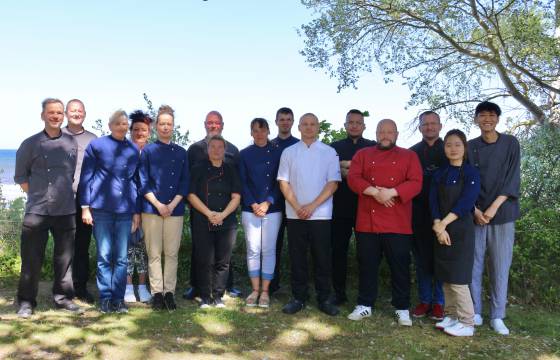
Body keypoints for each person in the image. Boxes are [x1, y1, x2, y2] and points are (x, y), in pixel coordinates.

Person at [346, 119, 422, 326]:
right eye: (381, 131)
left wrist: (393, 192)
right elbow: (353, 178)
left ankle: (402, 308)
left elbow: (416, 183)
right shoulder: (363, 154)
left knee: (400, 266)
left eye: (389, 132)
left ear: (396, 134)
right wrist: (375, 192)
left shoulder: (409, 156)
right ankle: (364, 305)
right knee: (367, 264)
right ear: (376, 133)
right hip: (367, 221)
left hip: (398, 221)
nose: (385, 135)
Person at [14, 98, 82, 318]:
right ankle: (26, 302)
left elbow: (70, 174)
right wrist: (38, 194)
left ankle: (63, 297)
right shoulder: (30, 143)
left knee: (64, 260)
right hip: (37, 211)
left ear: (63, 116)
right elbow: (21, 177)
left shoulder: (71, 142)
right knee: (31, 259)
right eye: (51, 112)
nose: (56, 116)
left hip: (66, 210)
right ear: (43, 115)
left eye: (59, 113)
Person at [277, 113, 341, 316]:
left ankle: (324, 298)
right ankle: (299, 298)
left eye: (313, 124)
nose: (309, 127)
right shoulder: (289, 152)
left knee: (322, 258)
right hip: (295, 214)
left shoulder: (329, 152)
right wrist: (297, 206)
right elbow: (283, 182)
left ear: (318, 127)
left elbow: (333, 183)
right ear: (299, 127)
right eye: (305, 124)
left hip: (321, 214)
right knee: (297, 258)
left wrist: (312, 206)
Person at [79, 110, 141, 314]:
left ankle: (118, 299)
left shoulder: (132, 149)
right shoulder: (97, 146)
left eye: (125, 124)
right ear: (110, 124)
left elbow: (135, 182)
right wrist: (85, 207)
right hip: (101, 209)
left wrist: (136, 212)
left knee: (121, 257)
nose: (122, 127)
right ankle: (105, 298)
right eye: (118, 123)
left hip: (125, 211)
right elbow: (86, 177)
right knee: (104, 256)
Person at [467, 101, 520, 335]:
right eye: (482, 115)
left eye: (491, 115)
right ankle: (475, 311)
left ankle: (497, 316)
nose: (487, 119)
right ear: (476, 119)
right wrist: (476, 210)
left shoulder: (510, 143)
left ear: (497, 119)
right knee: (474, 264)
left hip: (503, 213)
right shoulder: (470, 147)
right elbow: (466, 181)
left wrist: (494, 207)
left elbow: (512, 177)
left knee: (500, 266)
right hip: (475, 214)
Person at [183, 111, 242, 300]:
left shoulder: (233, 152)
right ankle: (199, 289)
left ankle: (223, 289)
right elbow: (190, 189)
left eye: (216, 123)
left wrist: (222, 214)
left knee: (223, 256)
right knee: (202, 255)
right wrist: (207, 212)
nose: (213, 125)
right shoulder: (193, 150)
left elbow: (236, 193)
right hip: (201, 212)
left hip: (226, 215)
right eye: (210, 122)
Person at [430, 129, 480, 337]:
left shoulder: (471, 172)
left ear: (464, 147)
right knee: (446, 276)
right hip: (440, 228)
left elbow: (466, 203)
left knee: (458, 278)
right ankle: (450, 316)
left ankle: (467, 322)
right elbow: (432, 200)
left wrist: (444, 225)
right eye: (449, 144)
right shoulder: (439, 173)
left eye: (457, 144)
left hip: (460, 229)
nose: (452, 148)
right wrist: (437, 224)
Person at [139, 105, 189, 311]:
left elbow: (184, 183)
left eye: (169, 124)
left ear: (173, 126)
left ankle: (169, 292)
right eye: (162, 124)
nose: (165, 127)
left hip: (175, 210)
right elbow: (143, 182)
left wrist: (171, 205)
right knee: (154, 253)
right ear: (156, 127)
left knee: (171, 253)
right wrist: (159, 205)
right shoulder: (148, 151)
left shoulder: (181, 152)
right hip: (152, 209)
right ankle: (157, 293)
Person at [329, 109, 375, 305]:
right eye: (351, 122)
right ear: (345, 125)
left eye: (358, 122)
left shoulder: (373, 147)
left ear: (364, 126)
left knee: (367, 254)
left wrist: (348, 168)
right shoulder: (333, 148)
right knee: (338, 252)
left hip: (366, 208)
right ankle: (338, 293)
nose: (354, 125)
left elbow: (373, 174)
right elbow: (329, 173)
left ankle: (366, 296)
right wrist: (353, 170)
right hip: (339, 208)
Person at [239, 118, 283, 308]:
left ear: (268, 131)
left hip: (272, 209)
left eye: (262, 130)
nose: (259, 133)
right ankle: (255, 289)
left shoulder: (278, 153)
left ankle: (265, 292)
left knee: (268, 250)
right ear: (251, 132)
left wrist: (267, 202)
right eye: (255, 130)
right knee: (253, 250)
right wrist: (253, 203)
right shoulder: (244, 154)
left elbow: (280, 181)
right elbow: (242, 182)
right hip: (250, 209)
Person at [409, 111, 447, 320]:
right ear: (420, 128)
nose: (429, 127)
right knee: (422, 260)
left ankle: (440, 302)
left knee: (440, 259)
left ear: (440, 126)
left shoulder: (450, 149)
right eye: (425, 124)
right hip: (418, 214)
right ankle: (424, 300)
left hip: (445, 215)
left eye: (433, 124)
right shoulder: (411, 153)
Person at [62, 99, 97, 304]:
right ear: (67, 113)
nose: (76, 113)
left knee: (82, 247)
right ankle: (64, 289)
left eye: (80, 110)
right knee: (63, 247)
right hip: (60, 201)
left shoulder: (93, 139)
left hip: (85, 202)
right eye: (73, 110)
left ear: (85, 113)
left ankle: (81, 288)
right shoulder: (57, 135)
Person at [124, 110, 153, 304]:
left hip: (149, 207)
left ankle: (142, 286)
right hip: (126, 206)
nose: (139, 133)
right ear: (130, 131)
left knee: (143, 248)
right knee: (127, 248)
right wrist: (134, 210)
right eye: (135, 129)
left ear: (149, 132)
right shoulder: (124, 151)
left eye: (143, 129)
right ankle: (127, 286)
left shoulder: (153, 151)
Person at [269, 107, 299, 295]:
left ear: (293, 122)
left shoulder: (299, 145)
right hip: (275, 205)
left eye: (289, 119)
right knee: (274, 247)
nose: (285, 122)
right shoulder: (269, 145)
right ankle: (272, 286)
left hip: (296, 205)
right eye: (282, 119)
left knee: (297, 248)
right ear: (276, 122)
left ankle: (298, 287)